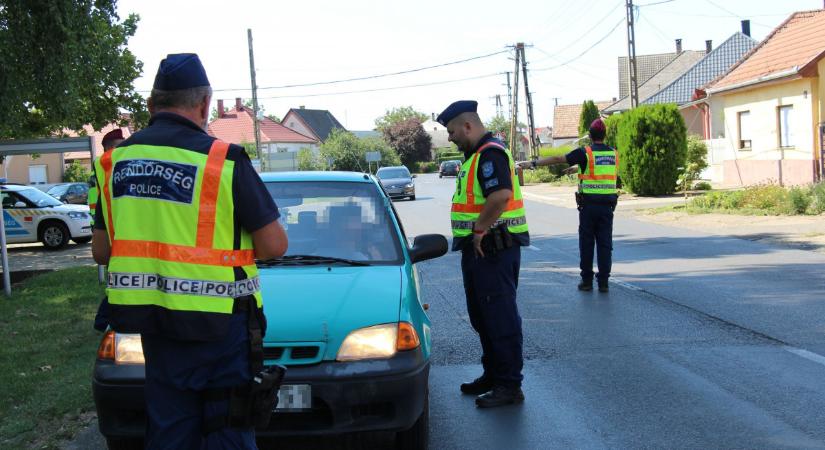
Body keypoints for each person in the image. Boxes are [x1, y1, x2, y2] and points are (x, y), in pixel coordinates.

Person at [91, 53, 288, 448]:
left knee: (169, 431)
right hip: (221, 328)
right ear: (203, 104)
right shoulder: (222, 160)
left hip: (156, 325)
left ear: (151, 105)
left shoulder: (113, 163)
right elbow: (274, 245)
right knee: (228, 431)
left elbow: (101, 251)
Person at [437, 100, 529, 408]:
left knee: (500, 317)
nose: (449, 138)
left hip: (493, 249)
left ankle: (509, 385)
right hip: (479, 253)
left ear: (467, 126)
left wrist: (479, 230)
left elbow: (500, 195)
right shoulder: (475, 156)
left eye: (451, 132)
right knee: (483, 316)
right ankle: (493, 374)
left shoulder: (490, 153)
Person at [517, 118, 618, 293]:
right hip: (607, 207)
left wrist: (532, 164)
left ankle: (586, 282)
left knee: (587, 244)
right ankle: (603, 283)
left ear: (590, 135)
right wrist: (579, 169)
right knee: (605, 244)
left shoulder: (585, 153)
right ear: (604, 134)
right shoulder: (612, 154)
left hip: (589, 207)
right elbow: (601, 172)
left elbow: (557, 158)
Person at [90, 129, 124, 332]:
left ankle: (103, 319)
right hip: (107, 228)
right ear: (110, 148)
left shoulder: (103, 168)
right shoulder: (106, 169)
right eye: (119, 145)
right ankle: (103, 319)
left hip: (106, 226)